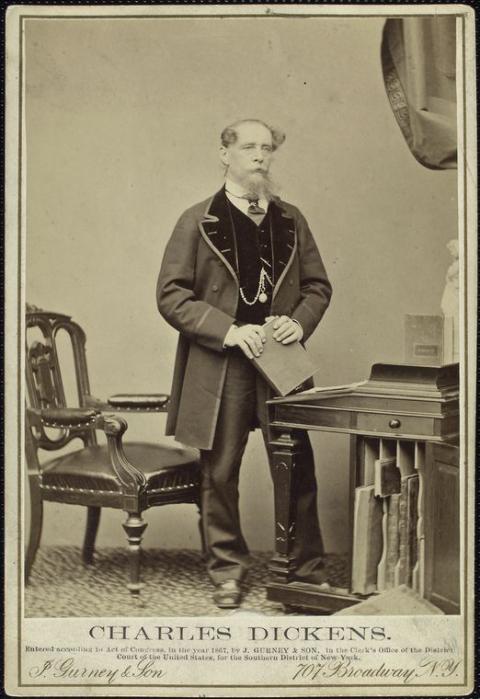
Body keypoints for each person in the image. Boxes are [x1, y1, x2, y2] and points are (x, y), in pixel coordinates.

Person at [156, 118, 332, 608]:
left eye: (267, 148)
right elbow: (170, 296)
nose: (260, 155)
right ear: (225, 154)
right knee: (219, 472)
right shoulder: (197, 219)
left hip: (281, 359)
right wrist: (229, 331)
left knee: (296, 464)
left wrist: (299, 322)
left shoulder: (291, 219)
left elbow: (318, 287)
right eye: (249, 146)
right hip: (224, 361)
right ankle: (227, 571)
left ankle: (306, 568)